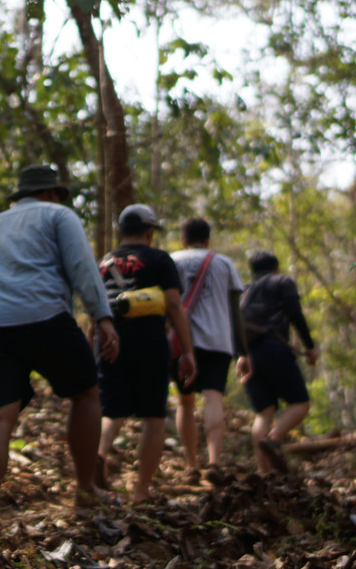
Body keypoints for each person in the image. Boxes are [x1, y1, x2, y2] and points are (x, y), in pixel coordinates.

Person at [0, 164, 120, 521]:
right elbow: (82, 266)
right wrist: (103, 316)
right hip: (44, 316)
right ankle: (84, 490)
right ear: (52, 193)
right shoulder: (58, 214)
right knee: (86, 393)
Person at [95, 204, 196, 503]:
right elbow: (175, 305)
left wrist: (94, 348)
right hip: (149, 340)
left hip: (110, 340)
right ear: (149, 231)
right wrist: (187, 351)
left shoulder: (103, 262)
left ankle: (98, 456)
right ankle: (140, 492)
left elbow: (94, 309)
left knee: (112, 410)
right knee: (153, 416)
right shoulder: (159, 259)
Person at [170, 217, 251, 481]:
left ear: (183, 239)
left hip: (181, 342)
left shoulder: (172, 261)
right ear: (208, 238)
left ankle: (192, 464)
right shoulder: (223, 263)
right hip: (217, 340)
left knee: (185, 401)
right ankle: (214, 462)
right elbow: (235, 311)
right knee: (213, 398)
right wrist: (243, 352)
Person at [236, 250, 318, 474]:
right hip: (274, 349)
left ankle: (264, 473)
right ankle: (274, 439)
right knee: (300, 403)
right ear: (275, 267)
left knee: (264, 412)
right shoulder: (282, 281)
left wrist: (240, 355)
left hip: (249, 355)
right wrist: (309, 346)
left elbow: (235, 325)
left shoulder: (244, 291)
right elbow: (295, 313)